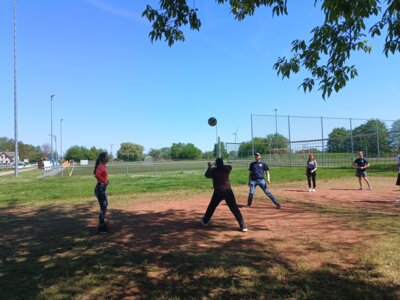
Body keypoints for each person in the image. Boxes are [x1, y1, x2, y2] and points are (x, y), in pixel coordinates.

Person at [202, 158, 248, 232]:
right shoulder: (226, 169)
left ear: (216, 164)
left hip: (218, 192)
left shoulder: (214, 170)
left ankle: (205, 221)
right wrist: (218, 165)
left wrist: (210, 167)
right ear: (222, 163)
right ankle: (243, 225)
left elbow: (206, 175)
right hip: (228, 191)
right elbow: (230, 166)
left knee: (212, 207)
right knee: (234, 208)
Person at [94, 152, 110, 232]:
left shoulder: (103, 166)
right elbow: (97, 175)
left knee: (105, 206)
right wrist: (104, 181)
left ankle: (102, 224)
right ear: (103, 158)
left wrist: (106, 181)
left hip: (102, 188)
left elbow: (101, 176)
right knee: (103, 207)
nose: (108, 157)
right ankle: (101, 227)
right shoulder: (100, 166)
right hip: (100, 188)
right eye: (107, 156)